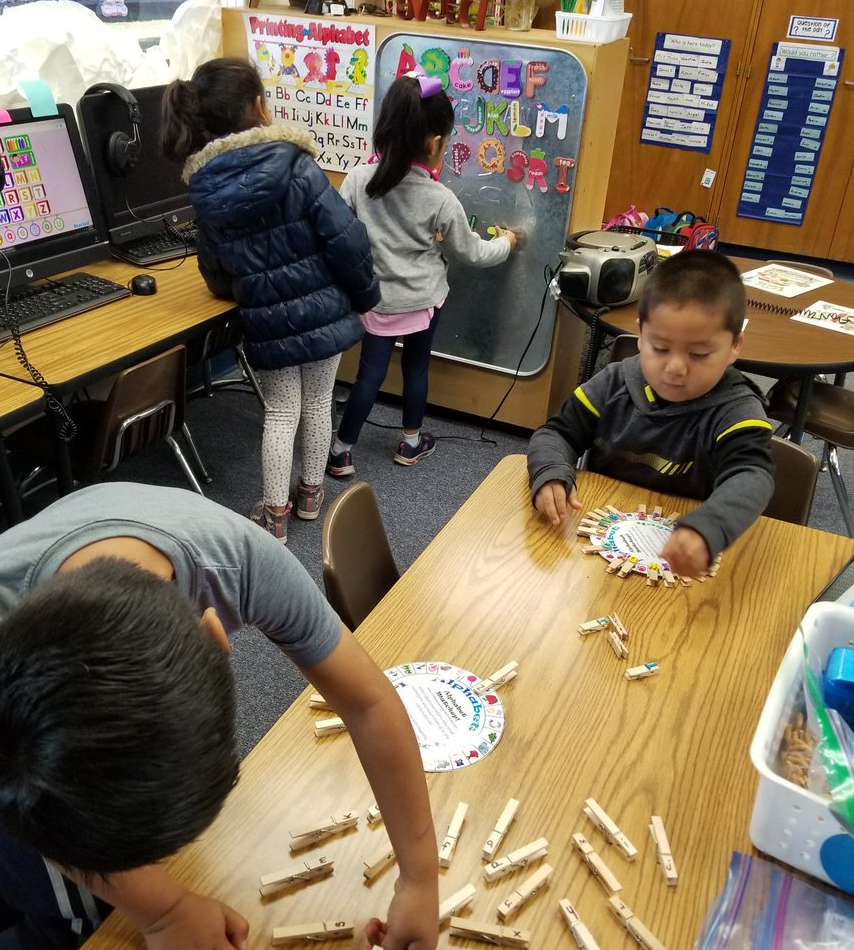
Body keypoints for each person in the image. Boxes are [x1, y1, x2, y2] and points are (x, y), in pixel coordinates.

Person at [0, 483, 438, 950]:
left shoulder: (243, 560)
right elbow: (50, 832)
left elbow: (369, 702)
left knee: (26, 866)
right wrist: (162, 912)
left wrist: (419, 877)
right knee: (73, 919)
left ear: (215, 636)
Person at [162, 58, 378, 544]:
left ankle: (274, 516)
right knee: (319, 402)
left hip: (266, 321)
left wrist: (243, 288)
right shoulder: (297, 162)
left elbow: (214, 270)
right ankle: (311, 496)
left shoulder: (206, 187)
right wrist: (366, 295)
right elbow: (346, 239)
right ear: (259, 106)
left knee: (281, 411)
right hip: (326, 312)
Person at [527, 251, 775, 576]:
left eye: (699, 354)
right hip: (601, 547)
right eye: (660, 348)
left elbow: (752, 475)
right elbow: (556, 433)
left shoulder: (738, 410)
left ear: (735, 346)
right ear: (641, 334)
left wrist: (708, 527)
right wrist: (551, 472)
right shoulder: (613, 383)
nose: (675, 368)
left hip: (685, 552)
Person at [327, 68, 516, 476]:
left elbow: (339, 235)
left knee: (368, 377)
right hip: (422, 302)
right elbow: (474, 253)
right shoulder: (441, 199)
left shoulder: (358, 180)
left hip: (375, 302)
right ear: (434, 144)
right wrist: (509, 243)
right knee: (416, 368)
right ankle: (411, 443)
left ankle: (342, 449)